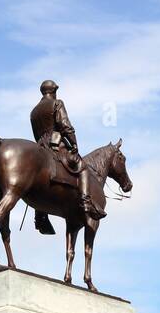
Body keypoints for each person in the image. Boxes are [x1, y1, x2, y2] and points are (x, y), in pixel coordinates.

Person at [29, 80, 105, 229]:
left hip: (40, 147)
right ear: (54, 91)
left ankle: (40, 216)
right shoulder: (57, 103)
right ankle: (85, 202)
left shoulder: (34, 111)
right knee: (82, 167)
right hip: (55, 145)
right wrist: (74, 143)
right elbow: (65, 126)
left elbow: (36, 134)